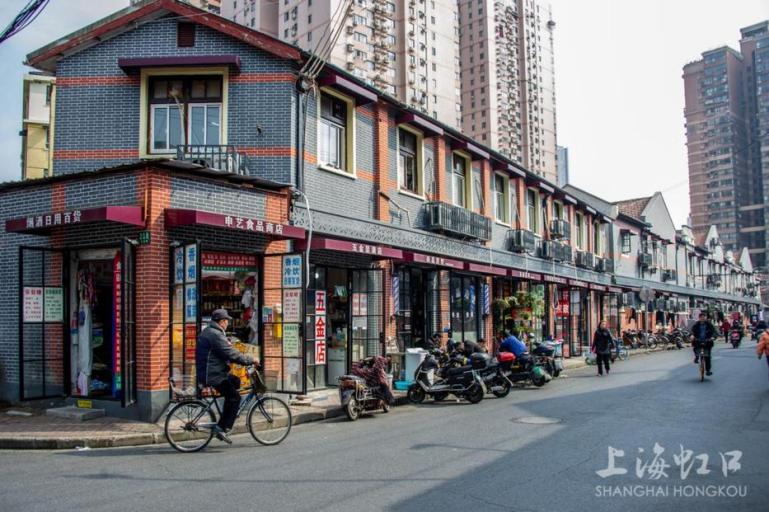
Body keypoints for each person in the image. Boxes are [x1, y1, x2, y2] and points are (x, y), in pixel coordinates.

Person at [196, 309, 257, 444]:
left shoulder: (211, 331)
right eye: (226, 321)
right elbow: (230, 353)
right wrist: (250, 360)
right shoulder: (215, 334)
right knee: (235, 397)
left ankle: (226, 413)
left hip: (213, 371)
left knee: (236, 381)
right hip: (212, 374)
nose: (228, 323)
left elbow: (224, 351)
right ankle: (223, 427)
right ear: (221, 321)